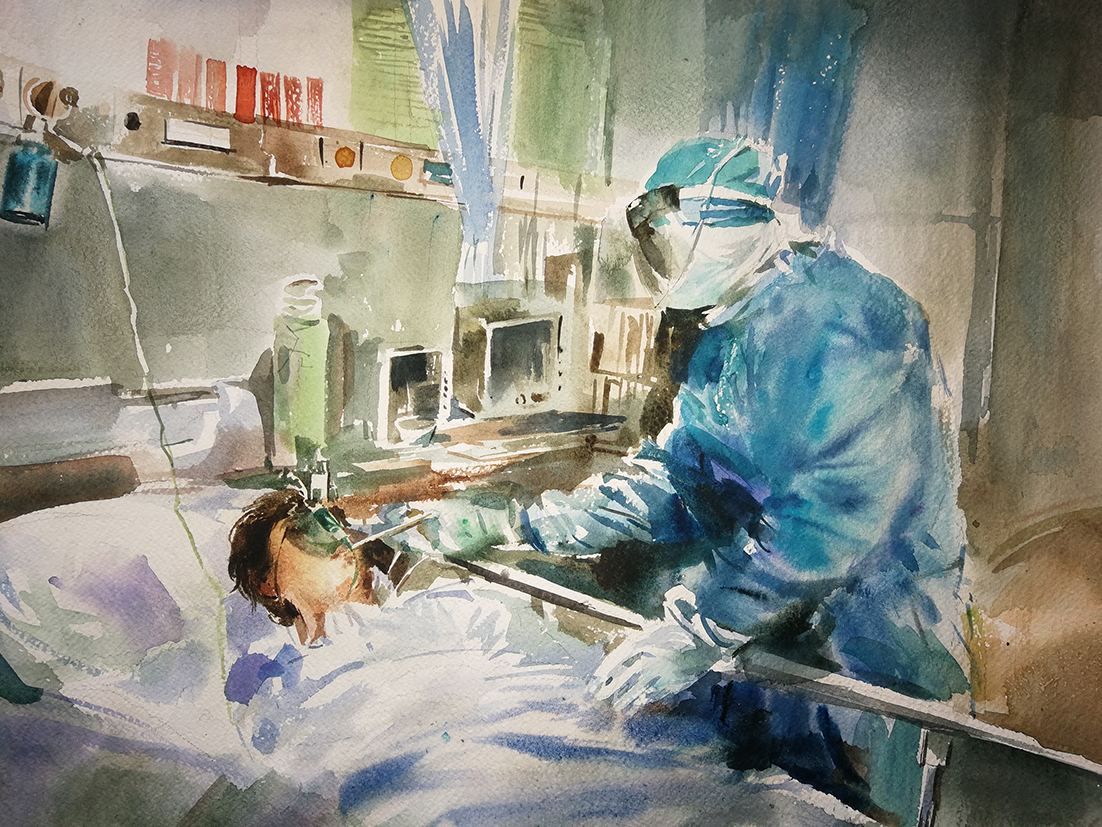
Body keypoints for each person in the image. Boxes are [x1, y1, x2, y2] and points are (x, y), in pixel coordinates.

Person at [229, 135, 970, 823]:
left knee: (856, 803)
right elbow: (676, 477)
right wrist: (523, 524)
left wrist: (703, 627)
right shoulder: (724, 335)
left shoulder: (854, 323)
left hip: (873, 649)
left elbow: (834, 516)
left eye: (666, 235)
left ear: (722, 220)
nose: (660, 258)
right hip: (764, 645)